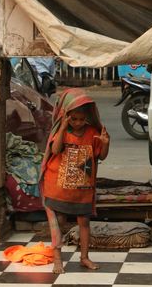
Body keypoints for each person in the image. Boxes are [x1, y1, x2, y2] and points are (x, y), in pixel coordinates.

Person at [39, 88, 110, 273]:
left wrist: (105, 143)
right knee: (59, 223)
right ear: (65, 115)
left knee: (84, 223)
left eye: (82, 119)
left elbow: (101, 157)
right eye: (74, 119)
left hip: (82, 191)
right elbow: (55, 151)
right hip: (58, 188)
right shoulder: (62, 132)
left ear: (89, 116)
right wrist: (62, 127)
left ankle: (84, 257)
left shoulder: (93, 133)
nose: (78, 123)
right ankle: (57, 259)